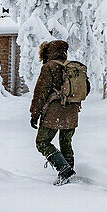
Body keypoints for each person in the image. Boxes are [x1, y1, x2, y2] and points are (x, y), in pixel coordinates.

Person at [30, 40, 79, 185]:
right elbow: (86, 89)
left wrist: (34, 114)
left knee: (42, 142)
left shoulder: (49, 67)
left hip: (54, 112)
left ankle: (64, 169)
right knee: (66, 142)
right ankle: (69, 173)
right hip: (72, 112)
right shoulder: (73, 66)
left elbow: (40, 92)